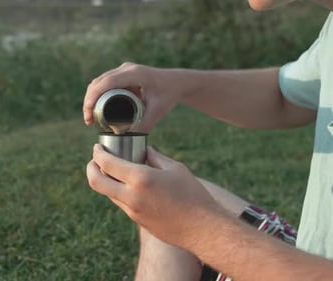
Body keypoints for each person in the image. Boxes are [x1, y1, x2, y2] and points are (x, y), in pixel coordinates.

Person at [83, 1, 333, 280]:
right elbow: (285, 97)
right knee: (169, 195)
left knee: (177, 208)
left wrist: (198, 227)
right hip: (308, 256)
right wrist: (177, 82)